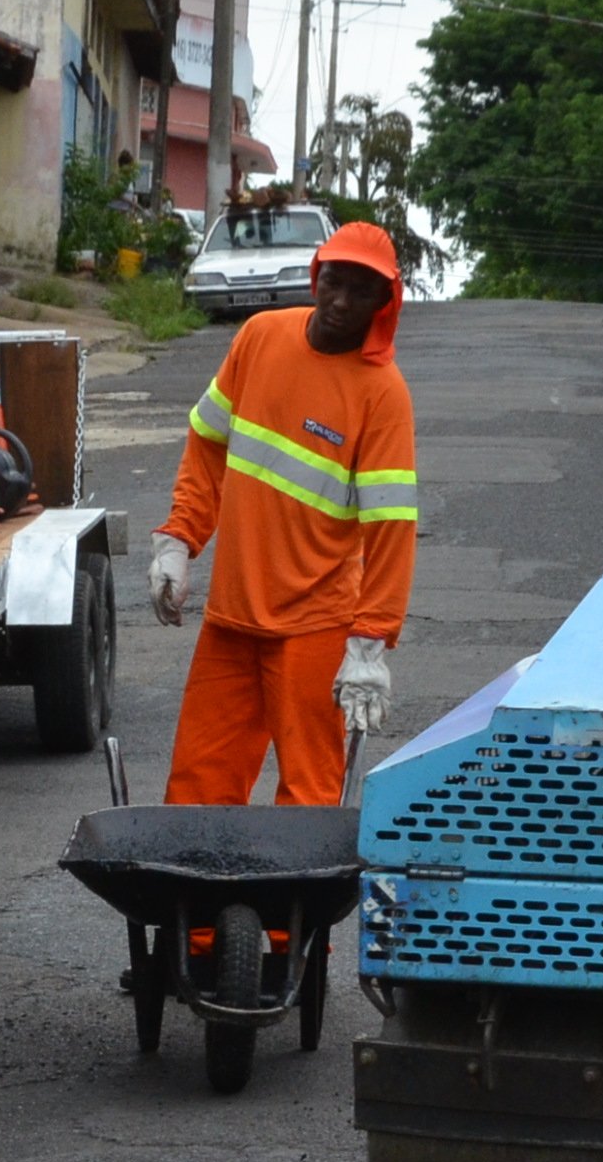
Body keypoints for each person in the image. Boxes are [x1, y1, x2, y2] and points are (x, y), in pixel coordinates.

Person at [148, 220, 417, 806]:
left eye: (361, 292)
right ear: (317, 276)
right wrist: (179, 537)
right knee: (197, 787)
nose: (342, 302)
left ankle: (287, 902)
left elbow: (392, 529)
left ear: (383, 303)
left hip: (314, 626)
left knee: (309, 795)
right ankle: (196, 899)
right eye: (334, 283)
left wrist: (370, 642)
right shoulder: (260, 336)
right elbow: (208, 442)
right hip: (231, 616)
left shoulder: (382, 394)